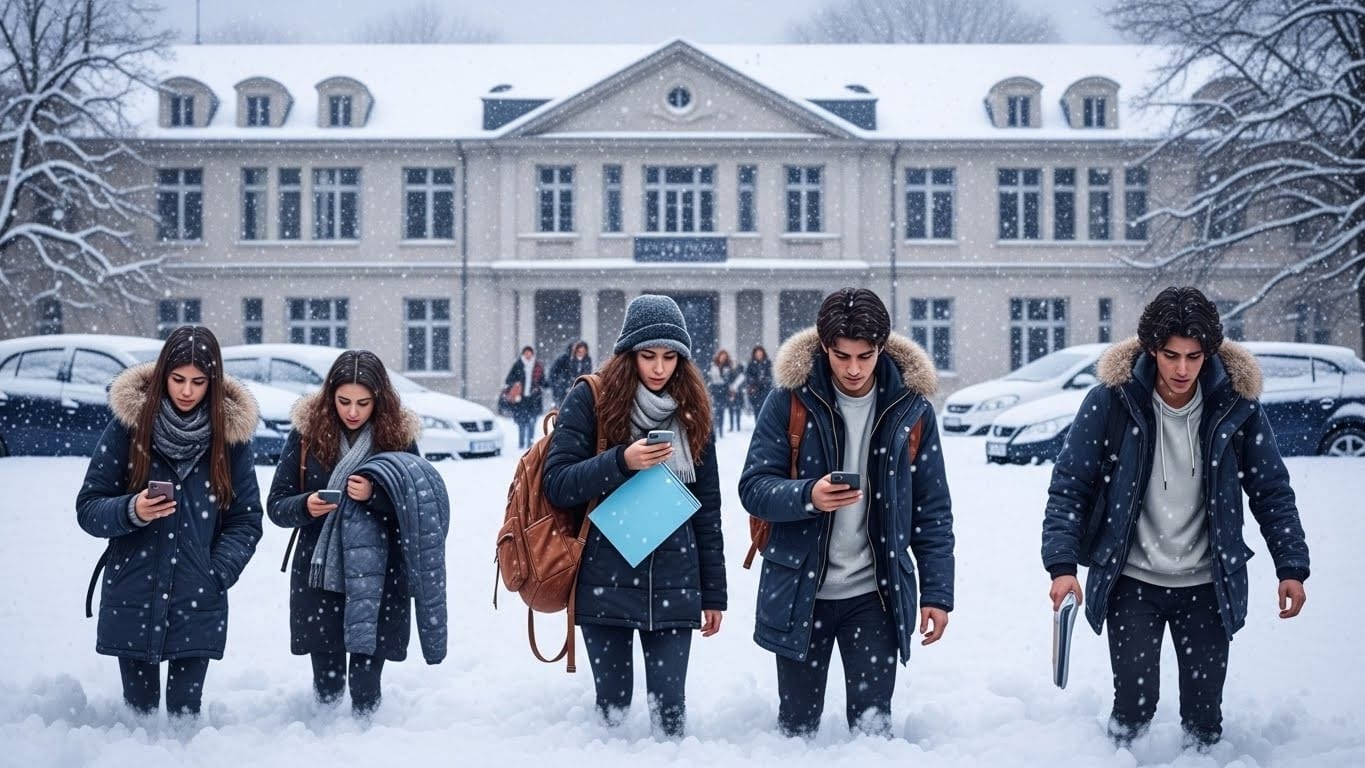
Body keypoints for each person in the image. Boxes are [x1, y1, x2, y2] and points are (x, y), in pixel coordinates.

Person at [1042, 286, 1310, 750]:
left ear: (1209, 353)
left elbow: (1271, 489)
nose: (1183, 368)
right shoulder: (1112, 401)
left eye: (1194, 356)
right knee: (1132, 707)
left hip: (1208, 583)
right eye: (1171, 355)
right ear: (1151, 349)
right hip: (1132, 582)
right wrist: (1063, 568)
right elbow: (1070, 487)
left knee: (1205, 717)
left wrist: (1291, 567)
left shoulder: (1235, 405)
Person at [738, 288, 955, 738]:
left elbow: (932, 511)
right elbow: (754, 488)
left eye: (865, 355)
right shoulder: (789, 400)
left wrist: (937, 592)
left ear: (882, 347)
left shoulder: (911, 409)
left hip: (876, 594)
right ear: (823, 348)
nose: (853, 369)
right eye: (841, 356)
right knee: (796, 730)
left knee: (873, 731)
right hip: (802, 590)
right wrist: (806, 496)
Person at [542, 294, 726, 738]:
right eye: (648, 356)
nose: (659, 368)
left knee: (670, 713)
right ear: (629, 355)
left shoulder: (693, 410)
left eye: (670, 357)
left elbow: (709, 508)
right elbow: (558, 483)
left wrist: (714, 593)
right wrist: (622, 460)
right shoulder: (591, 399)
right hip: (604, 577)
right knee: (613, 711)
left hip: (676, 581)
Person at [76, 325, 263, 717]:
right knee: (138, 712)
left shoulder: (231, 440)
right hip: (133, 589)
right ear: (163, 376)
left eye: (198, 382)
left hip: (198, 595)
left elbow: (245, 520)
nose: (187, 391)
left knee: (184, 712)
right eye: (177, 379)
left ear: (213, 383)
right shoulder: (128, 428)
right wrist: (132, 510)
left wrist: (216, 572)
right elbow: (89, 507)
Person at [267, 350, 427, 715]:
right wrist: (305, 505)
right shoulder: (306, 435)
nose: (352, 411)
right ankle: (324, 745)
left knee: (366, 685)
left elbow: (419, 506)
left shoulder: (398, 439)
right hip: (320, 574)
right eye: (343, 401)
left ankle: (366, 746)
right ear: (329, 397)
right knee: (327, 682)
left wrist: (377, 497)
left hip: (380, 574)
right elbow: (276, 505)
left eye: (363, 403)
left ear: (379, 400)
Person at [505, 345, 545, 450]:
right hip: (520, 399)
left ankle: (530, 444)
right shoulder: (518, 365)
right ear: (523, 354)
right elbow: (508, 380)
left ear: (532, 354)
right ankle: (521, 444)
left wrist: (539, 386)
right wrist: (516, 383)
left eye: (530, 353)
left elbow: (543, 381)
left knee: (532, 422)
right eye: (526, 353)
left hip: (534, 398)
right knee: (521, 423)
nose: (528, 355)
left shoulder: (537, 366)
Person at [548, 340, 594, 410]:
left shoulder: (587, 360)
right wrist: (557, 384)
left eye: (583, 351)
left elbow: (587, 373)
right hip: (565, 389)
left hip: (580, 389)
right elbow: (554, 371)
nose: (581, 353)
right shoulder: (567, 359)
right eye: (579, 351)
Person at [705, 348, 735, 438]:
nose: (723, 358)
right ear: (718, 357)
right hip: (714, 391)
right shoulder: (713, 366)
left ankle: (720, 430)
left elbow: (729, 380)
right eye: (722, 356)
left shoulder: (728, 368)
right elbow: (708, 377)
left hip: (723, 392)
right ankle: (715, 428)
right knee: (715, 411)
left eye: (725, 357)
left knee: (720, 411)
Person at [745, 344, 774, 419]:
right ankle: (758, 428)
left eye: (760, 353)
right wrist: (754, 382)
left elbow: (771, 376)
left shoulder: (768, 363)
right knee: (757, 411)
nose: (759, 355)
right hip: (755, 391)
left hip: (766, 391)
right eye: (757, 354)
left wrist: (764, 381)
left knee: (765, 411)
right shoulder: (751, 364)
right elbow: (748, 376)